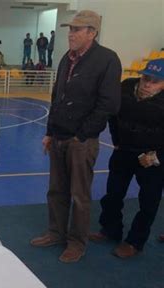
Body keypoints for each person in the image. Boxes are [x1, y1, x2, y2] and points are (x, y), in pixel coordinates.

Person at [30, 10, 122, 263]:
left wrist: (82, 136)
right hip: (58, 136)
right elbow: (56, 97)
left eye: (77, 30)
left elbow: (109, 105)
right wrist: (50, 132)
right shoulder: (65, 58)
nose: (71, 34)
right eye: (70, 29)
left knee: (79, 196)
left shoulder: (107, 60)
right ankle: (56, 233)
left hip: (81, 141)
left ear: (92, 33)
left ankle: (77, 242)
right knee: (56, 191)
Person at [89, 59, 164, 258]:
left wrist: (158, 156)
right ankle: (110, 229)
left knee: (148, 202)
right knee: (113, 194)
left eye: (155, 81)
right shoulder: (126, 87)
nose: (148, 84)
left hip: (152, 158)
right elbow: (113, 115)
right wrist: (116, 140)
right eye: (146, 77)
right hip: (124, 151)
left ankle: (134, 241)